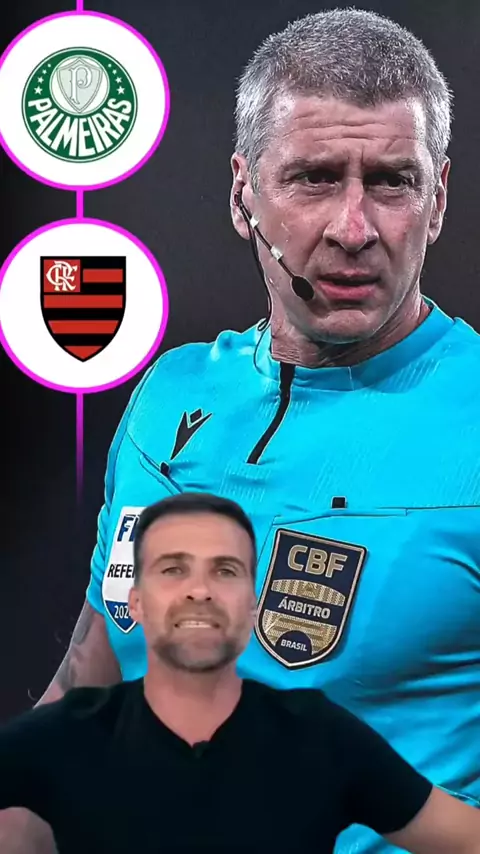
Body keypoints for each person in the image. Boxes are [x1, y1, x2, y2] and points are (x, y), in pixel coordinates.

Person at [3, 6, 480, 853]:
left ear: (437, 200)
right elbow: (86, 687)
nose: (354, 229)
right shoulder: (170, 396)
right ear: (242, 194)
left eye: (392, 183)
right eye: (313, 179)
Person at [2, 492, 480, 854]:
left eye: (224, 571)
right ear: (135, 601)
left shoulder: (321, 737)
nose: (199, 592)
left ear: (254, 606)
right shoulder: (70, 730)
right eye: (173, 570)